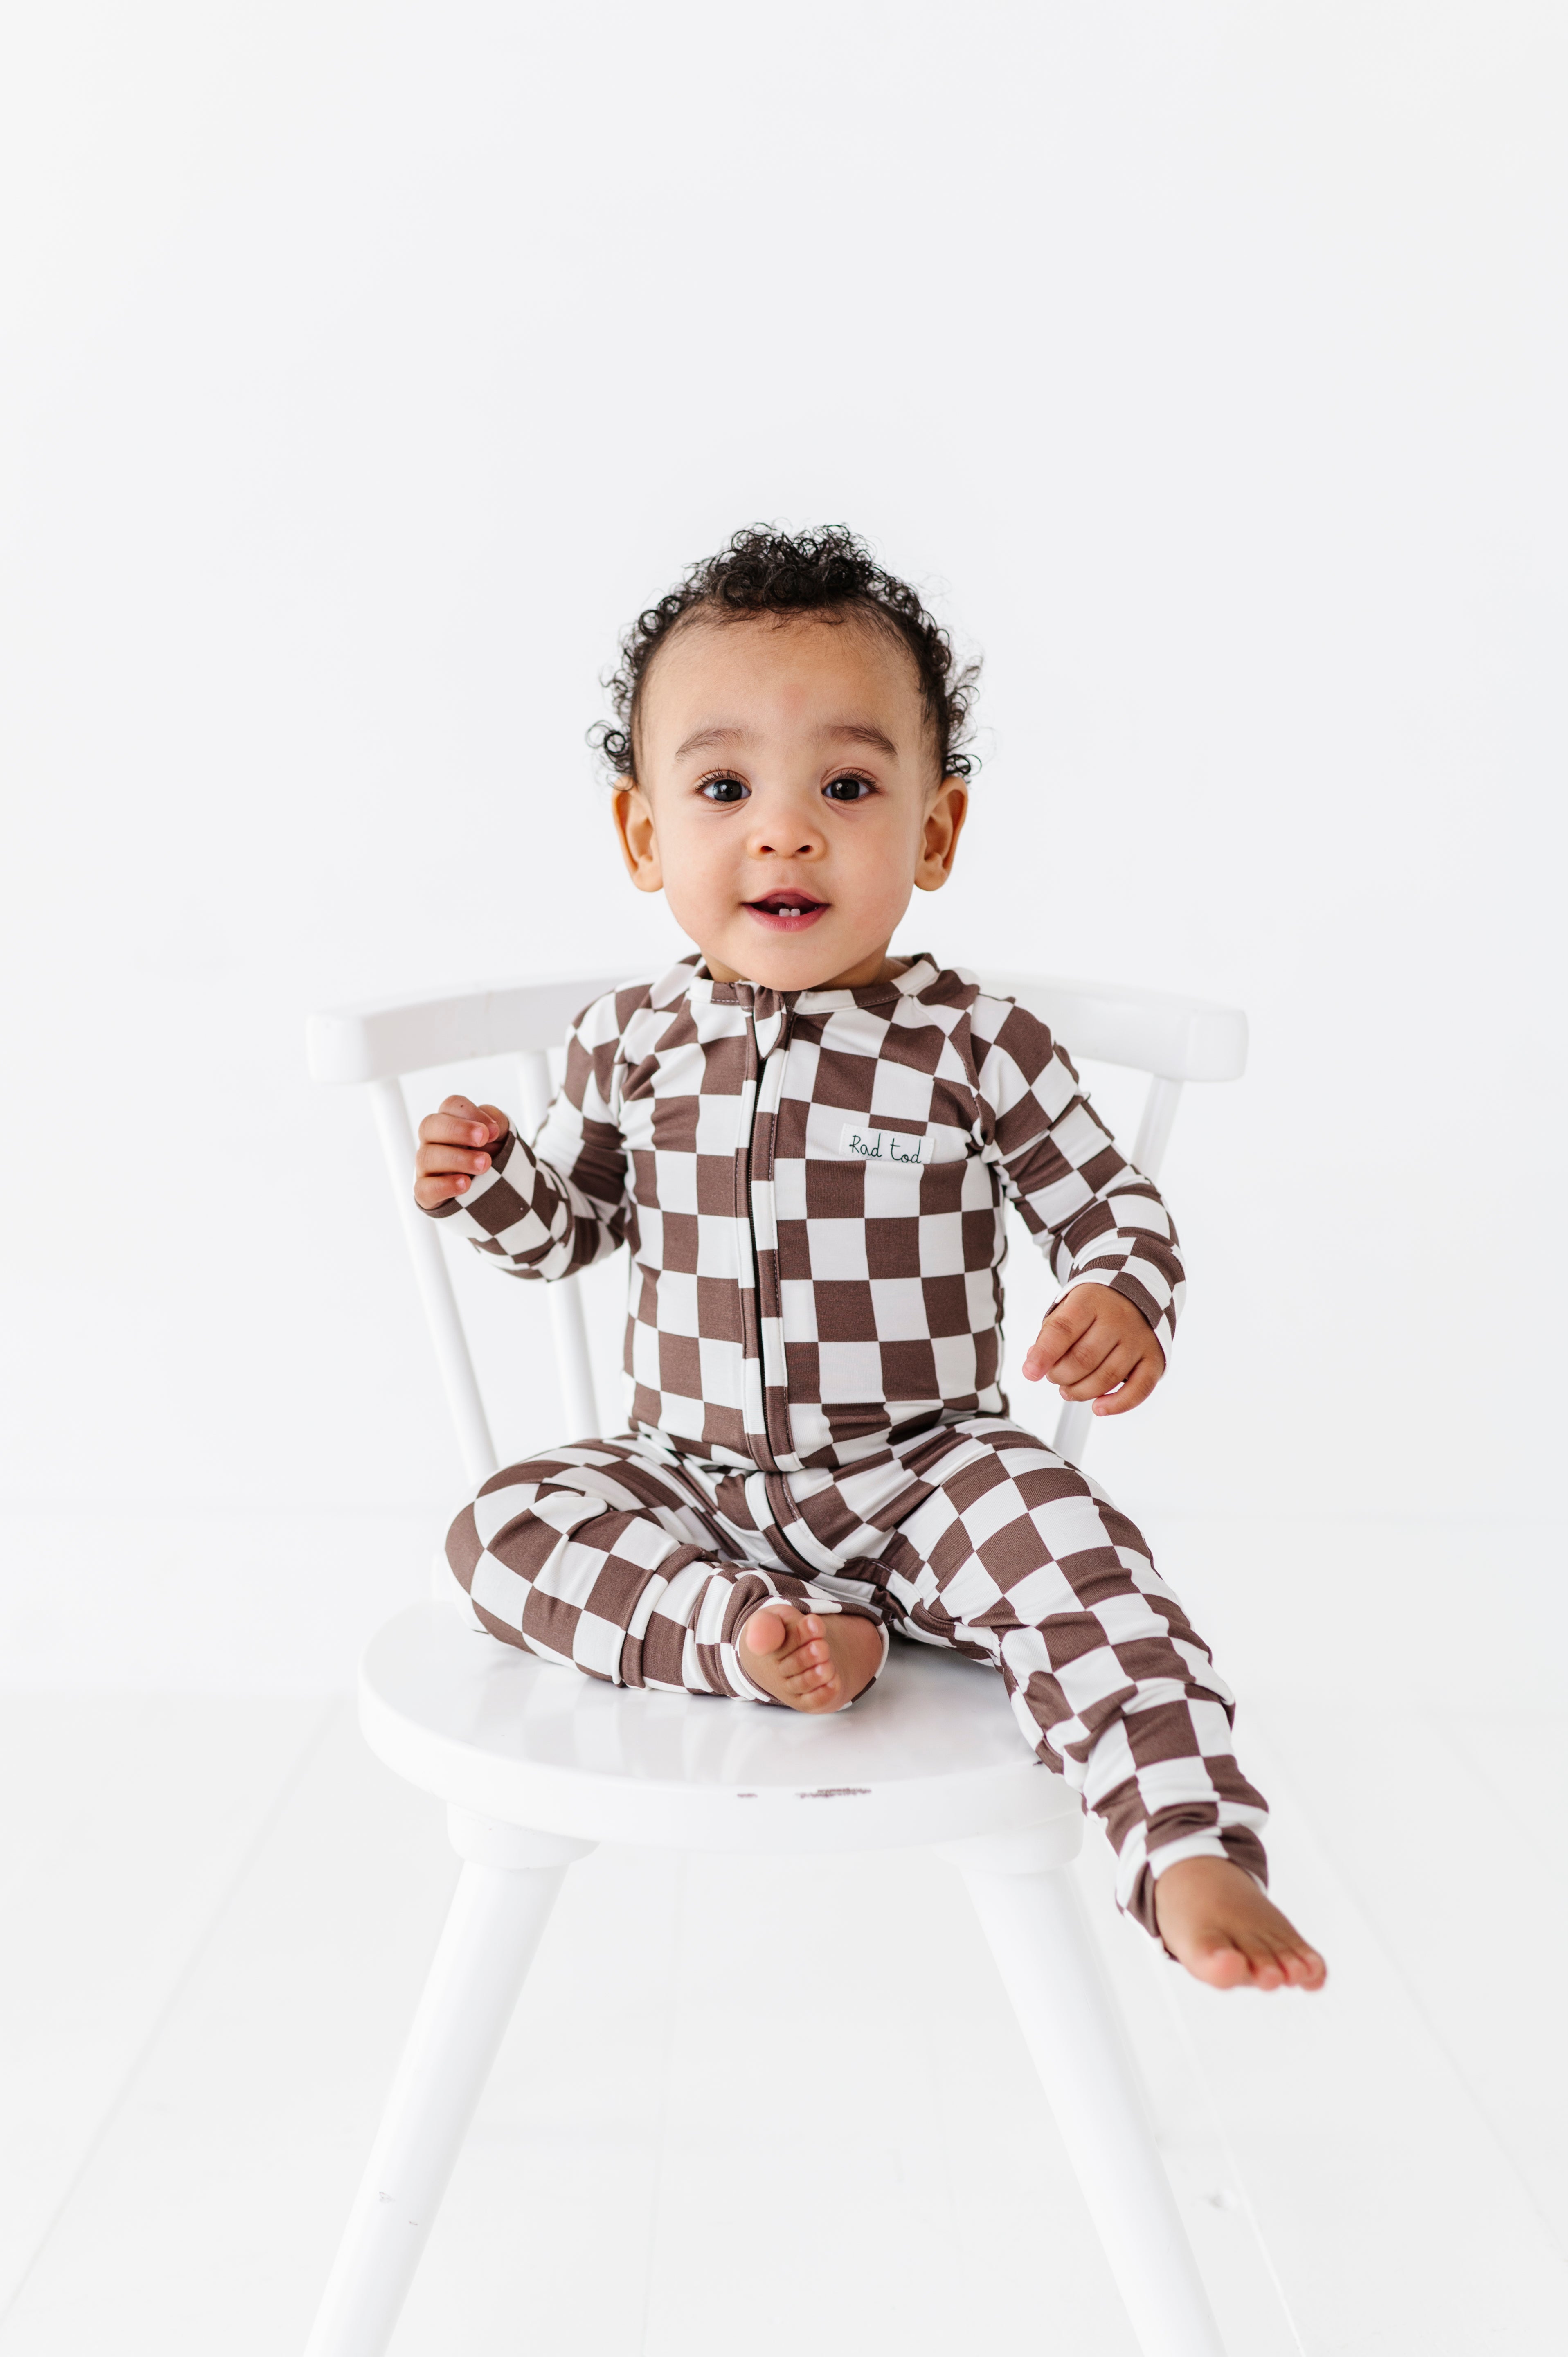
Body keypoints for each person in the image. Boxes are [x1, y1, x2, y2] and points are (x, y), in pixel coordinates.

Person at [414, 527, 1325, 1995]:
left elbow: (1107, 1204)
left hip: (921, 1475)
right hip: (689, 1483)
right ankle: (745, 1636)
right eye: (723, 790)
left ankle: (1181, 1837)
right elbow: (575, 1227)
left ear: (936, 832)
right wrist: (491, 1186)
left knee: (1079, 1554)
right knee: (501, 1521)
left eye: (846, 786)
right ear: (645, 838)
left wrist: (1117, 1290)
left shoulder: (976, 1043)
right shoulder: (627, 1041)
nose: (784, 833)